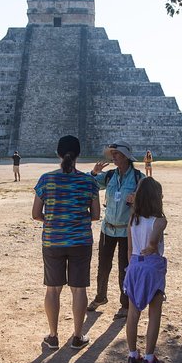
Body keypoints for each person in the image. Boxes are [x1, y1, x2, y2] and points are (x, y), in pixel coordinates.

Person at [32, 135, 100, 350]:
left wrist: (54, 220)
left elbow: (35, 214)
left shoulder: (46, 179)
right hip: (80, 240)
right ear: (78, 154)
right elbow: (96, 215)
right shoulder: (89, 181)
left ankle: (53, 336)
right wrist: (75, 220)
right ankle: (78, 336)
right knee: (78, 290)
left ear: (58, 153)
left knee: (53, 289)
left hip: (53, 240)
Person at [87, 140, 144, 319]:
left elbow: (154, 197)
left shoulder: (138, 178)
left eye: (117, 154)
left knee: (125, 267)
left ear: (126, 157)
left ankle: (125, 304)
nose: (113, 157)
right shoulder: (109, 176)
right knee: (103, 266)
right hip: (108, 228)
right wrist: (93, 173)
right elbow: (91, 184)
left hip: (127, 231)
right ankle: (101, 296)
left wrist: (138, 199)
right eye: (112, 154)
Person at [124, 177, 168, 363]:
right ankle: (149, 357)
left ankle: (133, 355)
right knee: (154, 312)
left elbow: (130, 248)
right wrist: (151, 247)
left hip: (134, 265)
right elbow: (153, 245)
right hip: (152, 266)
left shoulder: (133, 220)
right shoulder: (159, 221)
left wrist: (130, 267)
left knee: (133, 314)